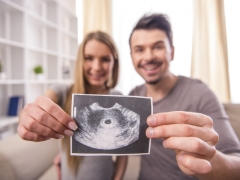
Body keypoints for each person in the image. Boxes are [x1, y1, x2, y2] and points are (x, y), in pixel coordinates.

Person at [128, 13, 240, 180]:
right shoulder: (134, 96)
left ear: (171, 52)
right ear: (132, 57)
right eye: (139, 49)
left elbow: (236, 166)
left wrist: (208, 159)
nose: (149, 57)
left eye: (158, 47)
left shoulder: (199, 94)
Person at [18, 31, 127, 180]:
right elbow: (41, 102)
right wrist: (29, 115)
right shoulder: (63, 92)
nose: (96, 67)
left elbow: (123, 152)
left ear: (114, 63)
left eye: (105, 59)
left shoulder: (118, 99)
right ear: (80, 61)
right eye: (89, 58)